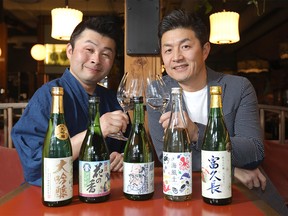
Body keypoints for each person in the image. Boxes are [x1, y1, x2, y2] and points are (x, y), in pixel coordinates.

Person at [147, 9, 288, 214]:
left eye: (185, 46)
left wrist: (196, 132)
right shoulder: (158, 93)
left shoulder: (238, 87)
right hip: (184, 194)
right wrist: (229, 170)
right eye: (168, 50)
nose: (176, 57)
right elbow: (167, 157)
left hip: (244, 194)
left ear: (204, 50)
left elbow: (254, 150)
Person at [12, 16, 130, 186]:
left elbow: (127, 144)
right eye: (89, 49)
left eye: (105, 54)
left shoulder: (112, 99)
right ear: (70, 51)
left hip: (104, 192)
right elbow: (34, 164)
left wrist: (121, 158)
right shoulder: (48, 96)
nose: (96, 59)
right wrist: (95, 130)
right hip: (57, 195)